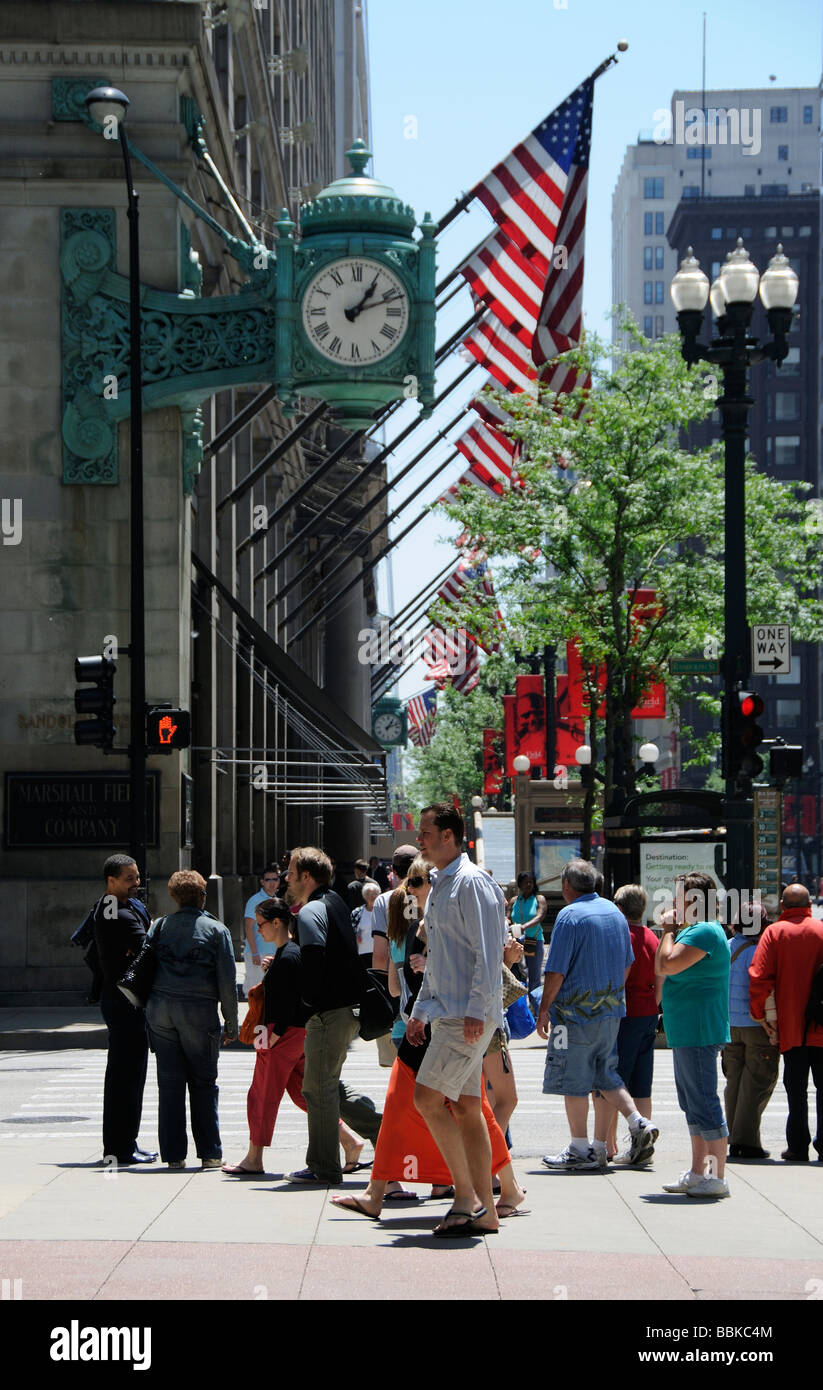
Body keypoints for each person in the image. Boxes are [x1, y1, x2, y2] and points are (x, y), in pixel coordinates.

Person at [406, 801, 508, 1236]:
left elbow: (488, 952)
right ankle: (483, 1208)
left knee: (426, 1099)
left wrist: (475, 1011)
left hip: (466, 1016)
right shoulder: (442, 883)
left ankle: (466, 1199)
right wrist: (420, 1011)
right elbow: (441, 959)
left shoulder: (471, 883)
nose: (420, 838)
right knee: (467, 1108)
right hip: (449, 1013)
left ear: (449, 835)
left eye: (426, 831)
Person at [536, 859, 657, 1171]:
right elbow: (627, 962)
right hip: (611, 1011)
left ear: (566, 886)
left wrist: (544, 1008)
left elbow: (556, 970)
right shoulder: (614, 914)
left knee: (571, 1078)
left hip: (573, 1015)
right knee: (606, 1073)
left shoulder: (569, 916)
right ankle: (638, 1121)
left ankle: (580, 1147)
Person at [284, 846, 382, 1185]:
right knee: (327, 1086)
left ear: (306, 876)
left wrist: (305, 1005)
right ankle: (382, 1131)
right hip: (345, 1009)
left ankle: (323, 1167)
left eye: (291, 872)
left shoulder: (311, 909)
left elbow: (313, 958)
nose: (287, 877)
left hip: (329, 1012)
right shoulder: (336, 900)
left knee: (317, 1089)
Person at [145, 870, 238, 1170]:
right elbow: (227, 981)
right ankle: (210, 1153)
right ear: (202, 896)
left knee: (169, 1085)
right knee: (203, 1083)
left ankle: (174, 1155)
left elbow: (144, 967)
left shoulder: (159, 927)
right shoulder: (216, 930)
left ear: (173, 896)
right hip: (198, 1013)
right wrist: (232, 1023)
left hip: (161, 1011)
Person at [656, 872, 731, 1198]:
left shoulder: (702, 931)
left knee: (704, 1102)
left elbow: (666, 966)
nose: (674, 903)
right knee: (693, 1104)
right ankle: (699, 1173)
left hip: (698, 1028)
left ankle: (716, 1177)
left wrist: (668, 931)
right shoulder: (696, 930)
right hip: (689, 1028)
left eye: (681, 897)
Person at [223, 897, 308, 1175]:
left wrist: (273, 1036)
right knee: (302, 1093)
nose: (258, 930)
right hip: (287, 1033)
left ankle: (254, 1158)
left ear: (276, 922)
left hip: (278, 1033)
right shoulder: (288, 953)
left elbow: (289, 1000)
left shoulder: (289, 955)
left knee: (261, 1095)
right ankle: (350, 1140)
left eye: (261, 924)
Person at [748, 883, 823, 1162]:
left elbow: (759, 978)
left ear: (782, 905)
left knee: (796, 1091)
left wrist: (761, 1017)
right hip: (821, 1026)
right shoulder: (821, 930)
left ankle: (798, 1146)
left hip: (791, 1029)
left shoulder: (775, 933)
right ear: (810, 904)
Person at [91, 854, 157, 1166]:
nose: (136, 883)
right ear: (111, 881)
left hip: (128, 1000)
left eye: (137, 877)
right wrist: (138, 946)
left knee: (133, 1075)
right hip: (122, 1001)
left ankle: (126, 1142)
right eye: (129, 879)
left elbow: (142, 944)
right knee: (124, 1077)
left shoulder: (127, 906)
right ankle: (118, 1148)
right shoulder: (110, 907)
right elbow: (148, 946)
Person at [595, 883, 663, 1165]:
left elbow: (619, 977)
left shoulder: (622, 936)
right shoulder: (652, 937)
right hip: (648, 1013)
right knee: (641, 1084)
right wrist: (654, 1005)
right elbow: (660, 978)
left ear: (619, 908)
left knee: (613, 1080)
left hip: (624, 1015)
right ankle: (641, 1146)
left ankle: (609, 1145)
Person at [722, 902, 779, 1160]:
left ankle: (733, 1136)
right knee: (758, 1081)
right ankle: (747, 1142)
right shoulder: (761, 950)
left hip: (729, 1026)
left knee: (734, 1081)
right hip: (757, 1025)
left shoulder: (726, 947)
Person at [507, 871, 547, 1005]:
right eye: (525, 882)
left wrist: (524, 927)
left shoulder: (539, 898)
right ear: (520, 884)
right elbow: (508, 917)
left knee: (534, 977)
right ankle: (521, 1007)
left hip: (534, 940)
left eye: (531, 881)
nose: (528, 884)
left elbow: (540, 916)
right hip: (517, 940)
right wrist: (507, 924)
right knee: (517, 973)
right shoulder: (514, 900)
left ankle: (537, 1011)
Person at [242, 866, 282, 999]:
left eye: (274, 879)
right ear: (262, 882)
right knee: (255, 993)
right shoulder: (254, 900)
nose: (271, 883)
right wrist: (254, 952)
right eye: (268, 879)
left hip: (274, 952)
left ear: (279, 881)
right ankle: (254, 1020)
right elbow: (248, 927)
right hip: (258, 953)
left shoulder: (278, 900)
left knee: (272, 992)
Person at [351, 880, 381, 969]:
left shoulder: (383, 912)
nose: (372, 897)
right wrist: (355, 936)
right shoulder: (357, 912)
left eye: (374, 894)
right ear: (365, 896)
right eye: (369, 894)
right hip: (362, 952)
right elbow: (350, 930)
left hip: (380, 952)